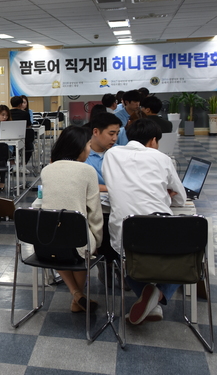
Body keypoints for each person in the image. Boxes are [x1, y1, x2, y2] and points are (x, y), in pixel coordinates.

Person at [102, 118, 187, 325]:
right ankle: (159, 294)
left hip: (125, 235)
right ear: (153, 140)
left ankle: (149, 299)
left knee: (124, 260)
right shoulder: (161, 158)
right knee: (186, 257)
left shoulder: (111, 155)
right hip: (159, 230)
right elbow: (181, 199)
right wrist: (166, 195)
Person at [40, 125, 102, 313]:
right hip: (78, 242)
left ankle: (76, 295)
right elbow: (95, 213)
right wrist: (97, 240)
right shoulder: (87, 170)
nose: (89, 149)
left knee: (61, 246)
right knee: (82, 244)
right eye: (88, 145)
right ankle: (78, 296)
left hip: (46, 242)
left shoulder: (47, 170)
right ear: (79, 147)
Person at [85, 112, 122, 192]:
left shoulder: (119, 153)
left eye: (117, 134)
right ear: (96, 132)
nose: (115, 138)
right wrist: (109, 188)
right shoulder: (81, 154)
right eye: (111, 134)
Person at [10, 96, 35, 164]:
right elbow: (28, 126)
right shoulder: (25, 113)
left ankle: (12, 162)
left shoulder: (8, 113)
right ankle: (23, 164)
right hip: (23, 138)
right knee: (29, 148)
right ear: (20, 104)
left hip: (10, 138)